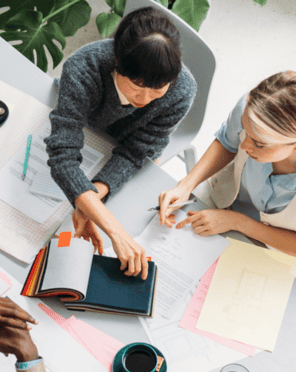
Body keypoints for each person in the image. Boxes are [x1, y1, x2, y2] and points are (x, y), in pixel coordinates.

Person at [45, 6, 196, 280]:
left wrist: (92, 200)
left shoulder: (182, 89)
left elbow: (138, 150)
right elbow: (62, 156)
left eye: (157, 91)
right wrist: (115, 230)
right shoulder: (84, 67)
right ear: (117, 61)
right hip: (85, 127)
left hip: (126, 147)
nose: (145, 99)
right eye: (136, 87)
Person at [158, 71, 296, 268]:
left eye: (259, 144)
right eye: (246, 133)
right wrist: (185, 185)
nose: (244, 146)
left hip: (276, 249)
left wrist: (237, 222)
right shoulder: (250, 110)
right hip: (221, 201)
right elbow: (227, 143)